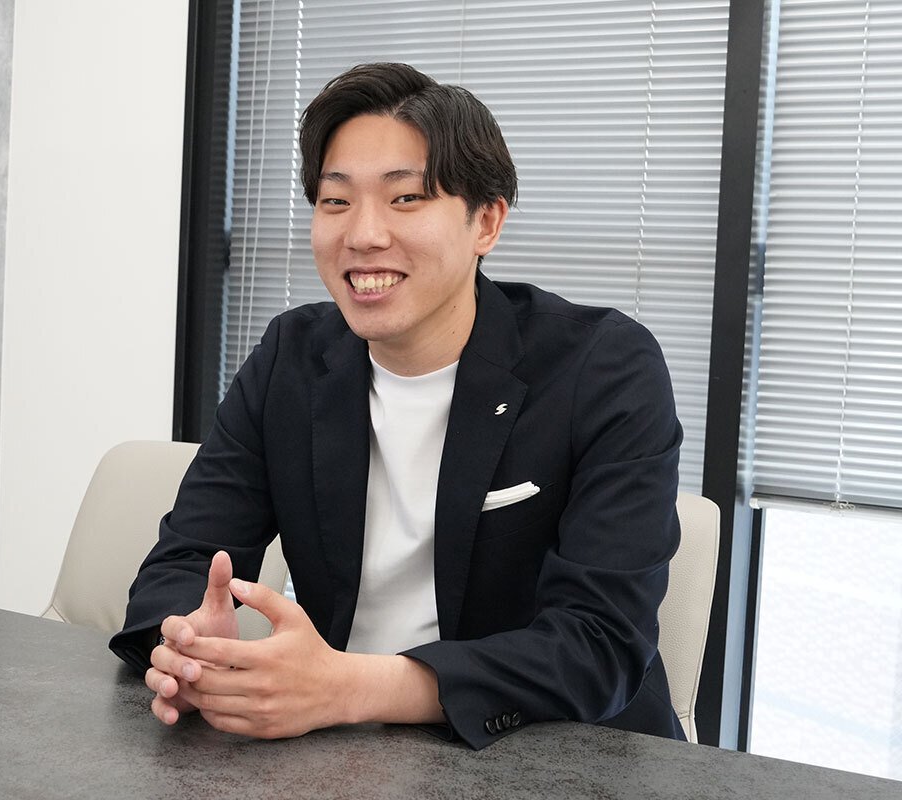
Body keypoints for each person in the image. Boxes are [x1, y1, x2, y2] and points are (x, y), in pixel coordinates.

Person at [109, 62, 684, 750]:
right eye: (335, 200)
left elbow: (598, 643)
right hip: (339, 752)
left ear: (486, 221)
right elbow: (184, 561)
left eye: (405, 198)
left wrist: (350, 688)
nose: (363, 234)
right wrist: (186, 643)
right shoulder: (293, 356)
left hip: (556, 756)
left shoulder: (604, 367)